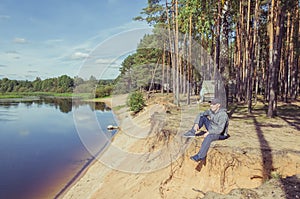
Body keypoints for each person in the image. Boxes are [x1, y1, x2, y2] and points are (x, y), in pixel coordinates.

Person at [183, 98, 229, 162]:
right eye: (211, 104)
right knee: (202, 117)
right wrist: (196, 123)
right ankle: (192, 132)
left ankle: (200, 156)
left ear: (218, 105)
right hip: (212, 127)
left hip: (221, 134)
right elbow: (200, 114)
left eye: (213, 104)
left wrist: (209, 132)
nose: (211, 105)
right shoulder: (211, 111)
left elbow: (220, 130)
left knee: (209, 137)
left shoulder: (223, 115)